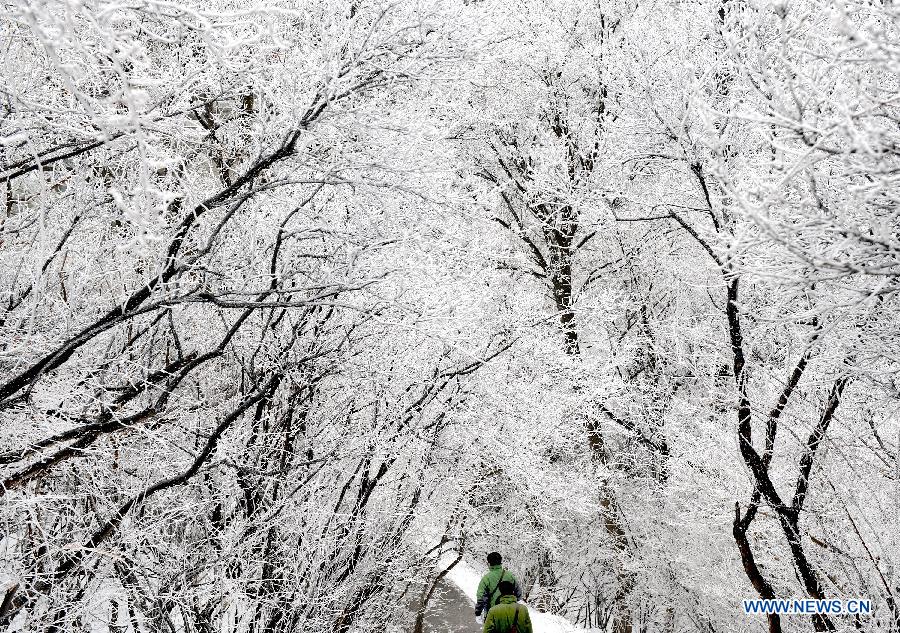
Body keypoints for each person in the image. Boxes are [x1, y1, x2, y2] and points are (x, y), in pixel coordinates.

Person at [474, 552, 522, 622]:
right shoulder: (510, 575)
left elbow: (481, 598)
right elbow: (519, 594)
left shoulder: (486, 578)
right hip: (510, 614)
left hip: (492, 615)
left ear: (489, 563)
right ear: (500, 562)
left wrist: (478, 613)